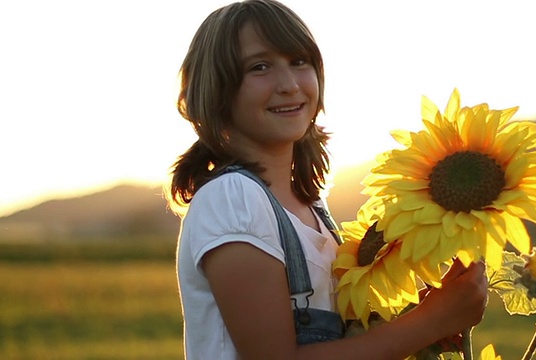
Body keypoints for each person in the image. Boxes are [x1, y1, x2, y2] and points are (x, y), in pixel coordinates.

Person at [168, 0, 488, 359]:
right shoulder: (233, 197)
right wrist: (433, 320)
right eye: (259, 67)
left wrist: (415, 321)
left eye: (299, 61)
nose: (289, 84)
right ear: (216, 88)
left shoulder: (311, 206)